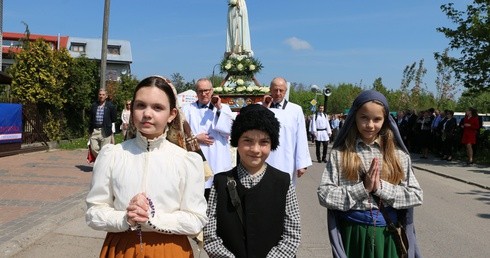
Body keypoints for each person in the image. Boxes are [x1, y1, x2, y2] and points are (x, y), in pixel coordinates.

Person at [86, 76, 208, 257]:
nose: (147, 114)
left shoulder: (186, 161)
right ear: (132, 108)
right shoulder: (112, 155)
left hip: (170, 249)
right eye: (141, 105)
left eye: (158, 107)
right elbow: (94, 212)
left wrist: (151, 219)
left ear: (172, 114)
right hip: (121, 248)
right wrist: (125, 218)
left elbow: (196, 218)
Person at [317, 90, 423, 258]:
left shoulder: (398, 155)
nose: (370, 125)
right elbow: (324, 195)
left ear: (386, 121)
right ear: (354, 117)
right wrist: (362, 188)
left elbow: (416, 195)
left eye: (377, 119)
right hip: (353, 233)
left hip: (387, 234)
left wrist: (380, 188)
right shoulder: (340, 154)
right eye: (364, 117)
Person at [204, 104, 301, 257]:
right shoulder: (220, 182)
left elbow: (292, 235)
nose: (255, 149)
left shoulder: (283, 182)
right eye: (248, 141)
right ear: (237, 141)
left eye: (264, 142)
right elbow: (210, 235)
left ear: (272, 144)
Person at [182, 78, 234, 199]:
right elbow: (181, 134)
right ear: (196, 92)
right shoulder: (187, 109)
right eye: (200, 91)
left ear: (212, 91)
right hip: (198, 157)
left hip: (218, 158)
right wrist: (196, 138)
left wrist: (219, 109)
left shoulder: (223, 108)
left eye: (206, 90)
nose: (204, 94)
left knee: (220, 195)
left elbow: (229, 129)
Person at [262, 77, 312, 184]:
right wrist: (264, 108)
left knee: (285, 191)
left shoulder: (295, 110)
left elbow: (301, 137)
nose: (278, 93)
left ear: (286, 91)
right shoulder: (260, 108)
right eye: (275, 90)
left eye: (281, 90)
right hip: (264, 159)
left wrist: (302, 163)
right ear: (270, 90)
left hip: (286, 159)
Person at [88, 89, 117, 158]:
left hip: (105, 130)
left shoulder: (110, 106)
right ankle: (100, 160)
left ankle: (102, 165)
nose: (101, 96)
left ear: (106, 96)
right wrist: (89, 130)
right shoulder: (94, 105)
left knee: (104, 150)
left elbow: (114, 118)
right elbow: (91, 118)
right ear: (98, 95)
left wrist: (108, 125)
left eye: (103, 95)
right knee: (94, 148)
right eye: (100, 94)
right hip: (95, 130)